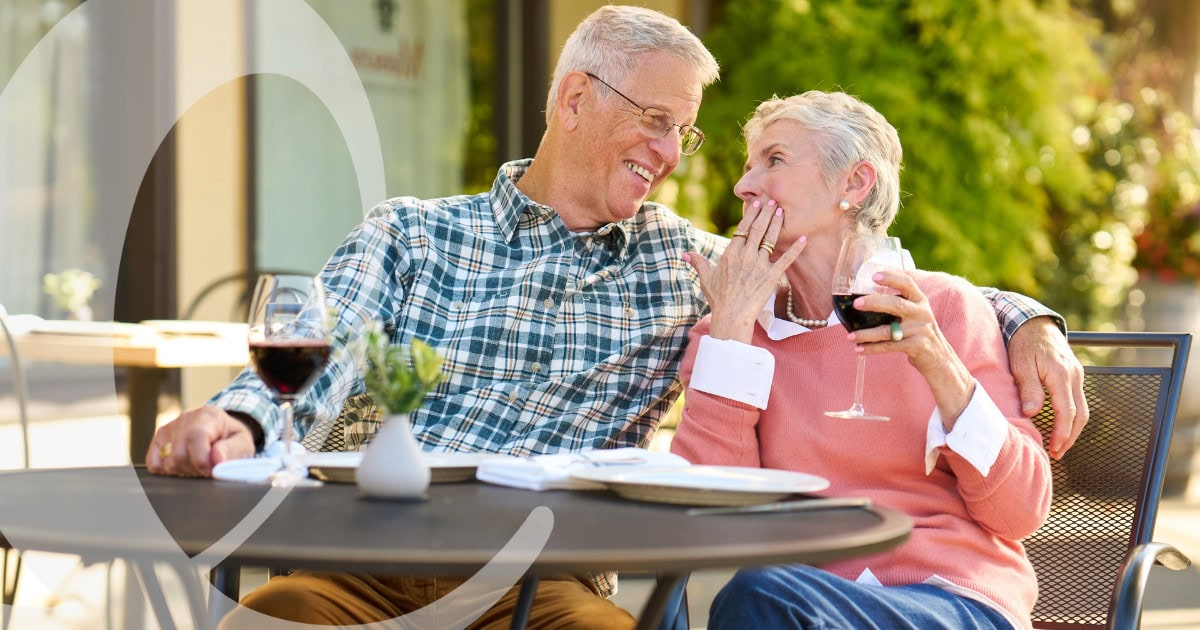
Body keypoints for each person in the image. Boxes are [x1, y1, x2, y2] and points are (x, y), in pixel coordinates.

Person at [148, 6, 1078, 629]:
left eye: (684, 132)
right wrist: (239, 422)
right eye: (656, 121)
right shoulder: (413, 235)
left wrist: (1027, 317)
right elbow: (320, 350)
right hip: (365, 566)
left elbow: (850, 277)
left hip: (545, 589)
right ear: (573, 99)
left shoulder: (692, 268)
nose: (672, 154)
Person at [671, 90, 1052, 629]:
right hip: (798, 603)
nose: (743, 185)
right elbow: (712, 521)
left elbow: (1020, 512)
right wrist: (731, 332)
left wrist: (941, 366)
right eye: (748, 164)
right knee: (761, 594)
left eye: (774, 160)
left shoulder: (945, 309)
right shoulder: (730, 334)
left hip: (950, 599)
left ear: (854, 184)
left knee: (761, 597)